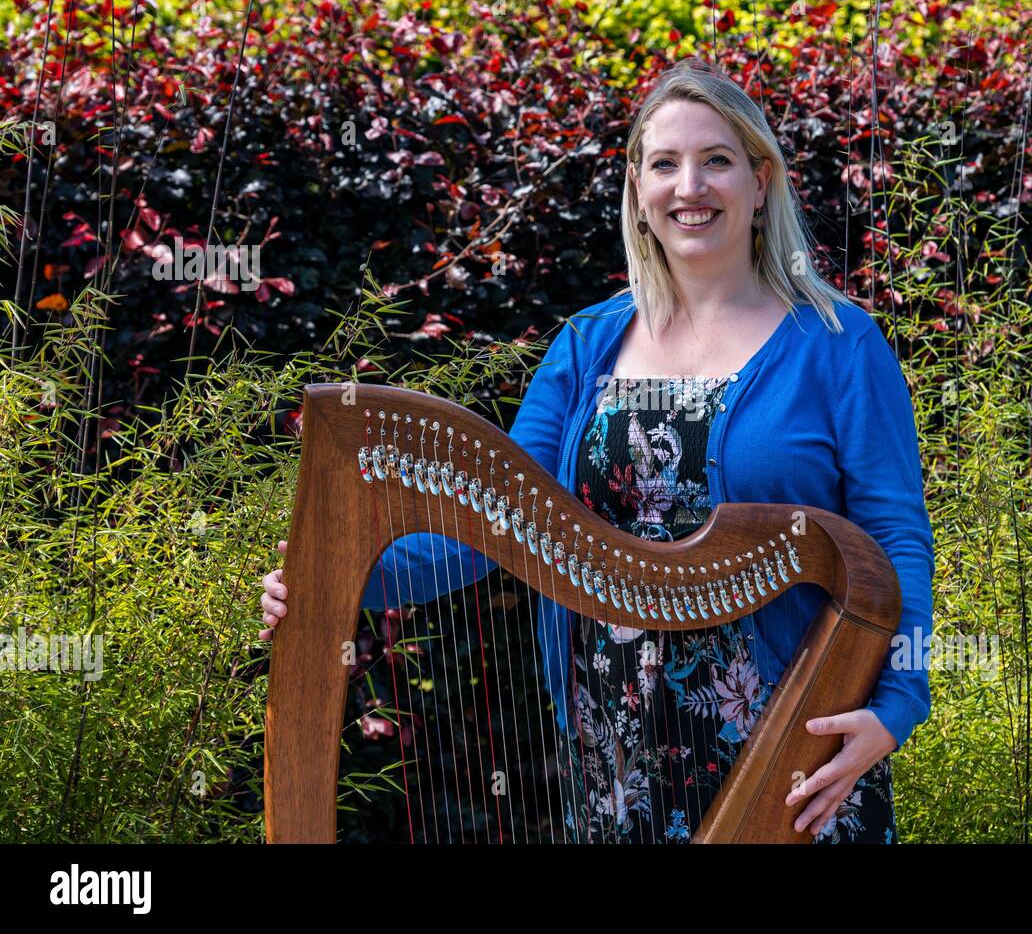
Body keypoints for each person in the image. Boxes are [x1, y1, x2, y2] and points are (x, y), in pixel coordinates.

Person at [260, 57, 934, 843]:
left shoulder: (840, 344)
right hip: (615, 747)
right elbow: (498, 519)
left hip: (795, 750)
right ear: (640, 194)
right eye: (665, 164)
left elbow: (897, 537)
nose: (690, 187)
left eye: (716, 160)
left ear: (760, 182)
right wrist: (341, 579)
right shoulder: (586, 347)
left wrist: (896, 706)